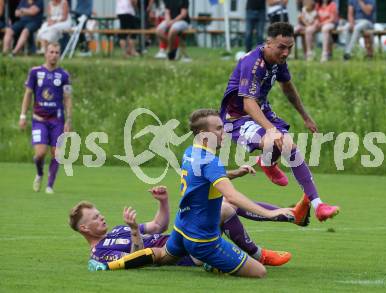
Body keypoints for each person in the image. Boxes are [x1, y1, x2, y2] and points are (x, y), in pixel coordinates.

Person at [220, 22, 339, 223]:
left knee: (289, 145)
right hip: (238, 119)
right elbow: (248, 104)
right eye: (281, 47)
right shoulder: (252, 64)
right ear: (268, 43)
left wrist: (305, 116)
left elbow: (288, 88)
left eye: (290, 48)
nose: (286, 53)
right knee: (274, 140)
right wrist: (271, 130)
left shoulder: (278, 61)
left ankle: (318, 205)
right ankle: (267, 163)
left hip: (261, 110)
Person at [161, 108, 303, 278]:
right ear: (203, 133)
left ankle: (260, 250)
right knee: (259, 272)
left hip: (186, 222)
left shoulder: (190, 152)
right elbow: (232, 195)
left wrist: (235, 173)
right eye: (219, 128)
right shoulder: (211, 161)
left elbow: (203, 178)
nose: (224, 132)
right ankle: (230, 259)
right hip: (200, 233)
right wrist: (270, 213)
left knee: (227, 208)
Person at [71, 184, 298, 271]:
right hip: (180, 254)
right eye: (95, 217)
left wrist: (163, 202)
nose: (101, 218)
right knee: (223, 208)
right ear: (84, 228)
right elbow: (135, 259)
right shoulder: (99, 253)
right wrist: (134, 231)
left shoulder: (117, 230)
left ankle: (288, 216)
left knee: (224, 206)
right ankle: (260, 252)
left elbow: (158, 225)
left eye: (99, 214)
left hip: (178, 239)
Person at [18, 42, 72, 194]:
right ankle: (40, 173)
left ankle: (49, 185)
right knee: (40, 153)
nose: (54, 55)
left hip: (57, 120)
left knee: (56, 153)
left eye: (57, 52)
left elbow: (67, 97)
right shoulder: (35, 72)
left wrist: (69, 120)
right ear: (45, 54)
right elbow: (28, 94)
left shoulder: (64, 75)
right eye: (51, 52)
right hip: (39, 119)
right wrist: (22, 115)